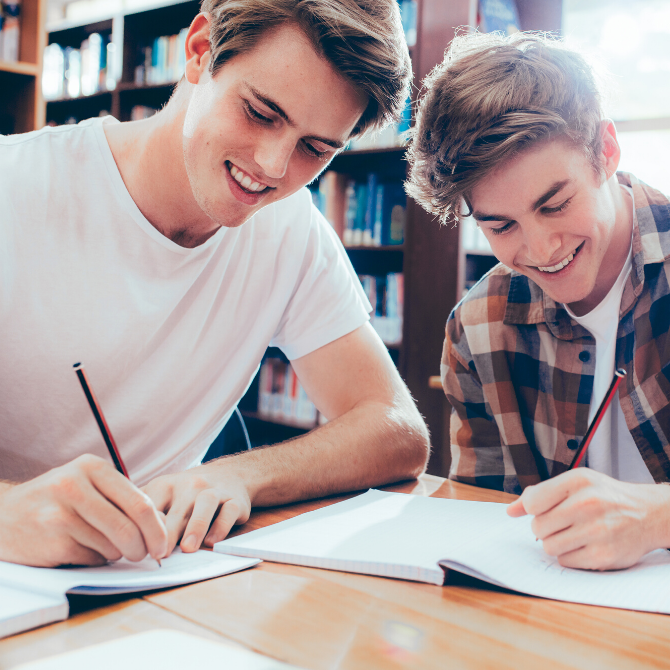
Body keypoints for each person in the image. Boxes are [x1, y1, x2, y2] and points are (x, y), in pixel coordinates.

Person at [0, 0, 430, 568]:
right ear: (200, 50)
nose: (274, 168)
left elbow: (396, 430)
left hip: (156, 581)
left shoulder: (289, 230)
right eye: (260, 113)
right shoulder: (16, 187)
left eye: (315, 149)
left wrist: (242, 475)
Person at [406, 31, 670, 571]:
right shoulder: (478, 329)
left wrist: (657, 517)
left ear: (607, 152)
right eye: (500, 226)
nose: (540, 249)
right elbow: (484, 521)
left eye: (556, 204)